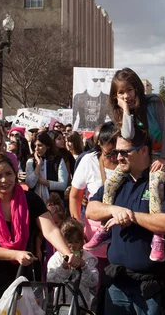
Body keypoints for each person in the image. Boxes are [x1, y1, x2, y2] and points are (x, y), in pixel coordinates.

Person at [86, 129, 165, 314]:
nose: (118, 157)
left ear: (143, 151)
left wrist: (132, 216)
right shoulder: (117, 183)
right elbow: (91, 210)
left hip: (151, 288)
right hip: (117, 283)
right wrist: (114, 210)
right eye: (116, 152)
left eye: (124, 152)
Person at [0, 153, 82, 313]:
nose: (4, 180)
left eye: (8, 174)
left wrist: (67, 253)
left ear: (15, 174)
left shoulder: (30, 199)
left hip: (21, 278)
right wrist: (15, 254)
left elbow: (49, 229)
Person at [85, 68, 165, 264]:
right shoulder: (123, 110)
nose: (127, 96)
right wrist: (125, 110)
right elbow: (128, 135)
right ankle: (104, 228)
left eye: (130, 90)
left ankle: (158, 237)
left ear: (137, 88)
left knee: (155, 182)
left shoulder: (154, 102)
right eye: (121, 93)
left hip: (161, 156)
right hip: (139, 156)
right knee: (111, 182)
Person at [69, 122, 118, 289]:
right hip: (94, 237)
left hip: (122, 237)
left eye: (117, 152)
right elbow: (75, 197)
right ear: (100, 145)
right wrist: (79, 226)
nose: (114, 157)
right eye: (109, 153)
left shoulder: (127, 161)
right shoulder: (89, 162)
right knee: (95, 286)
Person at [47, 218, 99, 311]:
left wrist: (84, 266)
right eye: (69, 242)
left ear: (82, 242)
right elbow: (51, 281)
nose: (73, 246)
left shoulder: (89, 259)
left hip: (82, 304)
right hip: (61, 304)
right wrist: (63, 268)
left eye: (76, 242)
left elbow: (93, 281)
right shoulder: (56, 259)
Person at [25, 132, 69, 203]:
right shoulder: (30, 161)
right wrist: (38, 165)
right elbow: (30, 183)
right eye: (34, 146)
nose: (36, 149)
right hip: (35, 203)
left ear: (47, 146)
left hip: (53, 203)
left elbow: (63, 185)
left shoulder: (58, 161)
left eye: (40, 145)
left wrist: (44, 182)